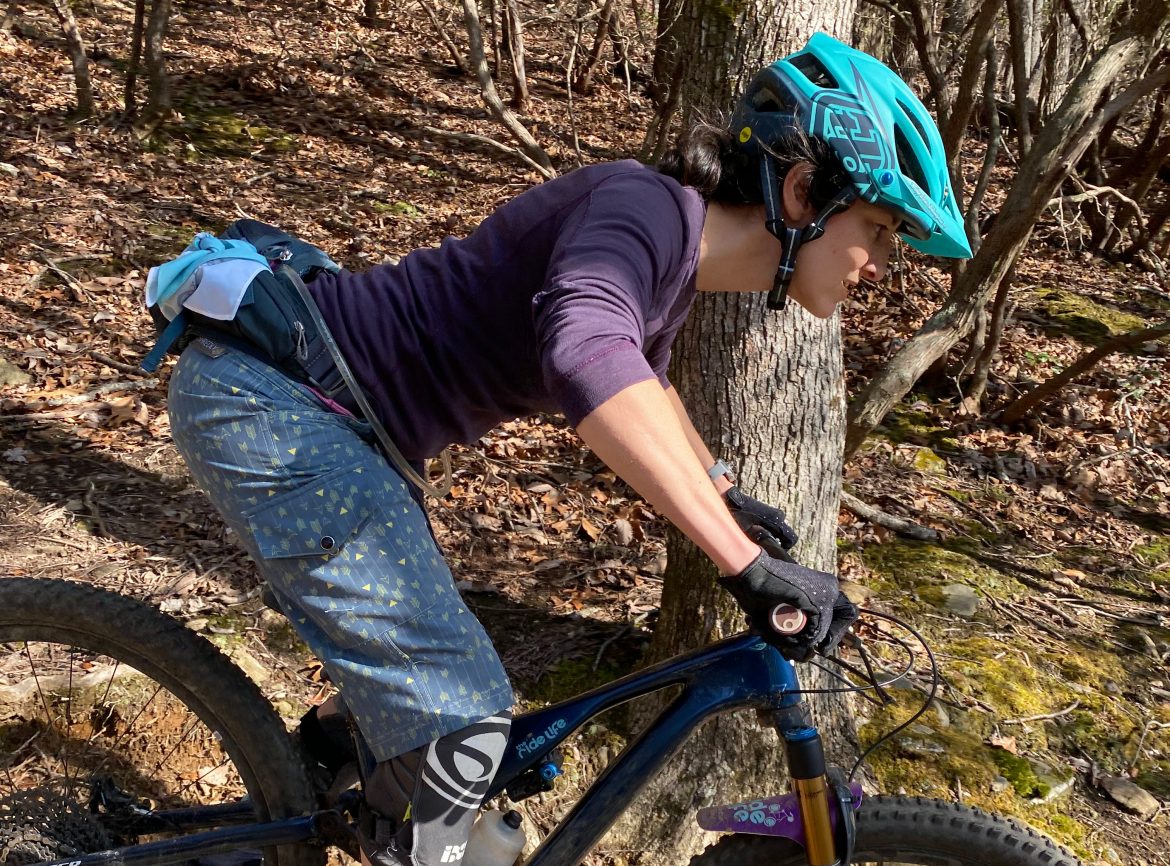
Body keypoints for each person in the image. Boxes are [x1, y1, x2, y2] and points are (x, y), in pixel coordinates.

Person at [160, 32, 970, 866]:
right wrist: (745, 567)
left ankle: (285, 801)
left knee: (424, 706)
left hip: (334, 424)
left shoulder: (671, 256)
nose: (882, 264)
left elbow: (645, 384)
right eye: (879, 229)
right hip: (279, 409)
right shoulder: (643, 209)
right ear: (803, 192)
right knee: (463, 722)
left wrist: (722, 496)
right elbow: (586, 355)